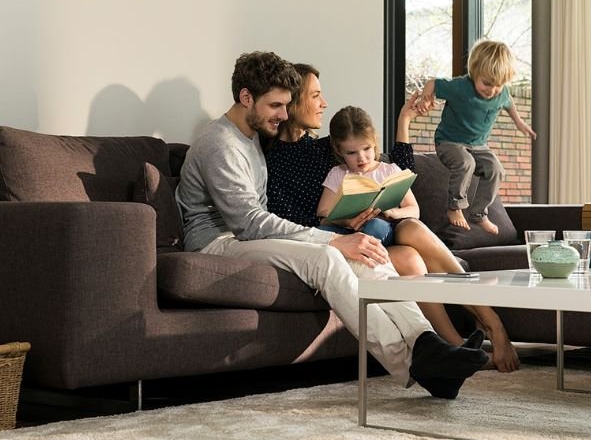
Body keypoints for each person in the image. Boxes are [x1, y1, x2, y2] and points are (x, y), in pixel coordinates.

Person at [175, 51, 489, 400]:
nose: (283, 113)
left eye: (287, 104)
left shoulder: (251, 136)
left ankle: (427, 342)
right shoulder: (221, 143)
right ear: (246, 97)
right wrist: (331, 240)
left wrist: (346, 238)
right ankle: (416, 364)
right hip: (219, 242)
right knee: (328, 258)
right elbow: (249, 223)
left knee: (369, 252)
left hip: (248, 236)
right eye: (276, 106)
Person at [266, 64, 521, 372]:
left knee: (412, 234)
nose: (324, 103)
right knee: (411, 258)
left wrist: (404, 121)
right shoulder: (272, 159)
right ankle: (459, 344)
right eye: (316, 95)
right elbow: (284, 220)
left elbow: (391, 169)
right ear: (292, 102)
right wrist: (341, 227)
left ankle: (483, 328)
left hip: (370, 235)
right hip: (330, 245)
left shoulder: (324, 147)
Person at [417, 38, 537, 234]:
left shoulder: (501, 93)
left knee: (496, 169)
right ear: (474, 72)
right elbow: (432, 83)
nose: (492, 90)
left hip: (479, 145)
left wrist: (519, 122)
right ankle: (454, 207)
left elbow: (508, 102)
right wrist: (425, 97)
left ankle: (479, 214)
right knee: (466, 163)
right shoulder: (461, 87)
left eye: (498, 85)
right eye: (487, 83)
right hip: (449, 141)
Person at [317, 105, 416, 246]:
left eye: (367, 148)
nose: (361, 158)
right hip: (346, 231)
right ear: (339, 151)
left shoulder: (390, 171)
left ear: (374, 142)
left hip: (379, 229)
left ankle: (360, 255)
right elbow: (322, 213)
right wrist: (346, 221)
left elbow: (414, 210)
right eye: (351, 153)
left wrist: (392, 212)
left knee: (374, 225)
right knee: (320, 231)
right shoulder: (338, 173)